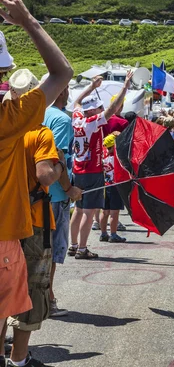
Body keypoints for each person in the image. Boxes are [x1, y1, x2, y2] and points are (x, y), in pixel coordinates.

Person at [0, 0, 74, 367]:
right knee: (27, 296)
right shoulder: (17, 122)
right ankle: (19, 359)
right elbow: (62, 71)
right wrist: (27, 21)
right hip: (16, 230)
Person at [4, 79, 66, 366]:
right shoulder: (39, 132)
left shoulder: (7, 126)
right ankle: (19, 358)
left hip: (6, 223)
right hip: (34, 222)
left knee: (4, 292)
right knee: (33, 289)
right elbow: (44, 176)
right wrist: (59, 167)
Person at [68, 71, 133, 260]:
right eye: (98, 108)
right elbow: (112, 109)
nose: (100, 109)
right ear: (92, 112)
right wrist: (125, 86)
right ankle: (82, 248)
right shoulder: (90, 122)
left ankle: (73, 245)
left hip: (78, 169)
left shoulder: (77, 117)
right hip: (92, 170)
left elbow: (78, 102)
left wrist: (91, 87)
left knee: (79, 209)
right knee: (88, 211)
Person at [43, 85, 83, 318]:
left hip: (35, 193)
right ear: (60, 92)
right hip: (55, 196)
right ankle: (47, 300)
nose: (68, 92)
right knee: (52, 253)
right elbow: (56, 157)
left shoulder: (39, 113)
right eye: (66, 87)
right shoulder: (61, 120)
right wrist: (69, 189)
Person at [99, 134, 127, 243]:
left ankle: (103, 233)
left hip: (105, 186)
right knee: (114, 212)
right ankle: (113, 234)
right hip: (116, 186)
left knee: (105, 212)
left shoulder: (103, 158)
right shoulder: (117, 159)